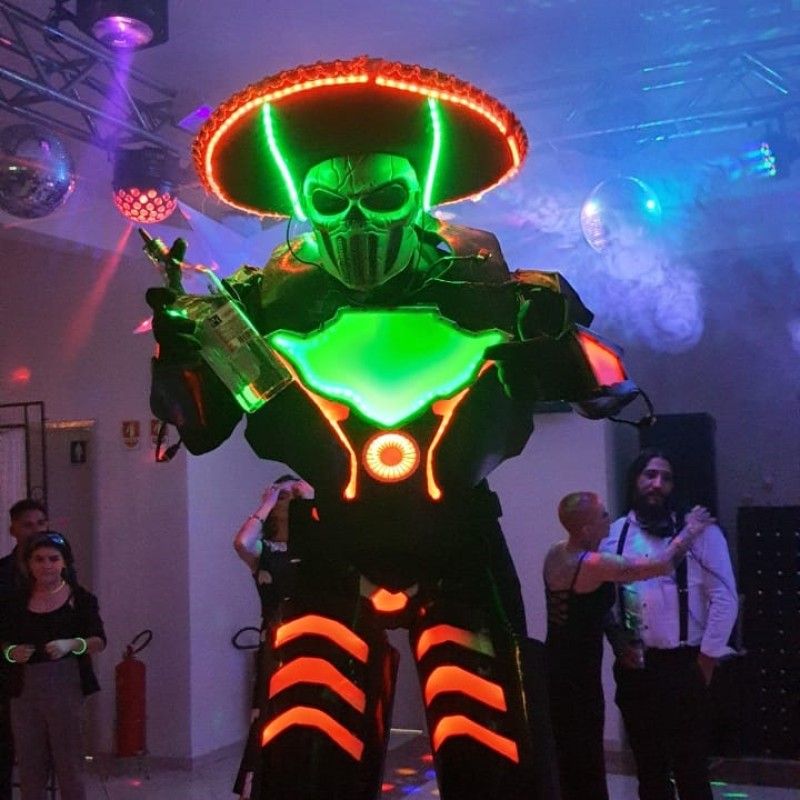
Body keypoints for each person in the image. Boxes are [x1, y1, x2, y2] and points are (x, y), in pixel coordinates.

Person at [144, 56, 645, 800]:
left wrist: (553, 336)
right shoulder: (256, 308)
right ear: (305, 206)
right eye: (331, 203)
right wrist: (181, 358)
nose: (357, 223)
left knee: (494, 758)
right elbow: (198, 425)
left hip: (459, 541)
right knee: (308, 756)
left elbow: (608, 389)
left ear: (416, 198)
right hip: (331, 545)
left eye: (382, 198)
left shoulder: (499, 293)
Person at [543, 491, 713, 800]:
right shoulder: (593, 563)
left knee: (574, 751)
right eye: (603, 515)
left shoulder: (556, 553)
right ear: (587, 529)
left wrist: (620, 643)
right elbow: (661, 565)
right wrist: (690, 529)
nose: (610, 518)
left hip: (558, 666)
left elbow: (594, 607)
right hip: (576, 677)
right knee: (582, 753)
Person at [601, 448, 738, 800]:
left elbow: (725, 599)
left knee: (692, 770)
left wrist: (706, 660)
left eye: (666, 478)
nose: (657, 484)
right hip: (635, 669)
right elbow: (604, 599)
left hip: (685, 664)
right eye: (649, 475)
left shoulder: (703, 535)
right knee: (649, 770)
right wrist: (618, 643)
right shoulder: (614, 534)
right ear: (635, 480)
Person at [0, 531, 105, 800]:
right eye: (39, 559)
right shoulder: (15, 602)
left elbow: (98, 640)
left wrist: (72, 644)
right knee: (30, 765)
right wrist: (11, 652)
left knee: (69, 764)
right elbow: (3, 641)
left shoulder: (81, 599)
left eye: (53, 559)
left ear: (64, 562)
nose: (46, 565)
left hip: (65, 686)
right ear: (29, 563)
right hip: (23, 690)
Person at [232, 475, 314, 800]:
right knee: (270, 715)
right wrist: (266, 503)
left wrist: (312, 501)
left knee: (310, 717)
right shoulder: (266, 551)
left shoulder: (316, 550)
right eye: (284, 496)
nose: (291, 500)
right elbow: (242, 543)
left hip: (313, 642)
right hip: (277, 643)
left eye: (296, 495)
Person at [0, 499, 49, 800]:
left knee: (47, 750)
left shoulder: (57, 569)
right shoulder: (2, 573)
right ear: (13, 530)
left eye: (41, 523)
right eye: (28, 525)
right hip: (7, 673)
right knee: (4, 746)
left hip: (48, 669)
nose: (35, 530)